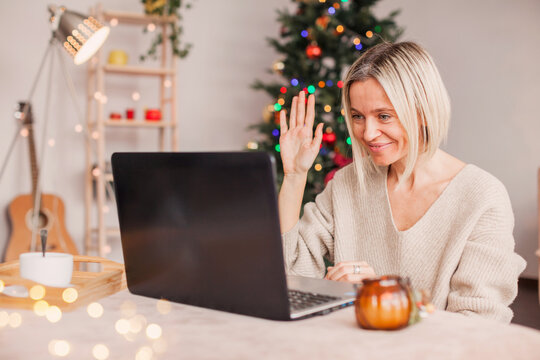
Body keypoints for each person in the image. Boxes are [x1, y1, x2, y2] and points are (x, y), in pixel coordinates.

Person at [278, 41, 526, 323]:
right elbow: (289, 275)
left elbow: (478, 324)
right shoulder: (348, 183)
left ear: (422, 111)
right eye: (358, 117)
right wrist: (295, 176)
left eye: (384, 116)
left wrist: (386, 294)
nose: (368, 133)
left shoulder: (482, 197)